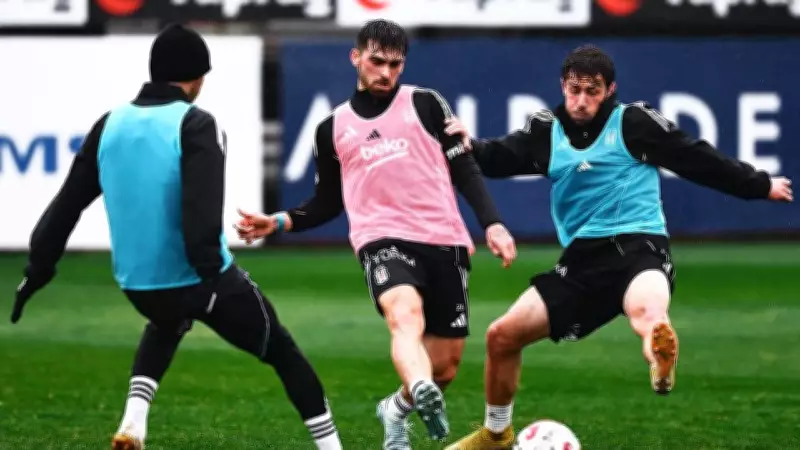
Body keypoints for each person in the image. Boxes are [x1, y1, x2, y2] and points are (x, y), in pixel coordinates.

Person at [441, 44, 794, 449]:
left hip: (639, 248)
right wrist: (470, 145)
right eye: (574, 90)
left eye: (592, 91)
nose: (581, 101)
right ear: (563, 86)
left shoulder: (633, 123)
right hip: (581, 262)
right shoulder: (546, 131)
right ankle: (496, 433)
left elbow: (697, 159)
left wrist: (759, 185)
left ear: (610, 90)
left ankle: (660, 362)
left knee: (649, 314)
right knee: (501, 336)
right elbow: (499, 158)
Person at [9, 24, 343, 450]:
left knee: (167, 320)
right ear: (197, 77)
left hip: (138, 286)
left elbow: (64, 208)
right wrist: (211, 280)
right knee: (281, 350)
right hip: (198, 278)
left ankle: (133, 422)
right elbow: (202, 216)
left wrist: (36, 271)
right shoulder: (197, 124)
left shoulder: (108, 125)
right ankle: (332, 447)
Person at [235, 19, 517, 449]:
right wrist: (279, 222)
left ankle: (397, 407)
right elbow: (328, 202)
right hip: (381, 239)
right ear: (356, 57)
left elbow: (464, 168)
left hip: (443, 239)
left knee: (445, 367)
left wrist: (492, 223)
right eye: (376, 61)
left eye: (395, 64)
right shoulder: (332, 128)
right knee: (404, 315)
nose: (385, 72)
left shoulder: (425, 103)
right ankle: (420, 387)